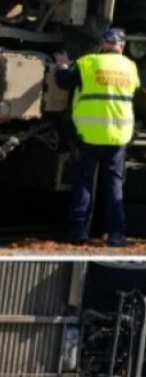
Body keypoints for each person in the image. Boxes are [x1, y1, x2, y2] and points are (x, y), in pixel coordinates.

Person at [55, 27, 140, 247]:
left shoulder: (88, 62)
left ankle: (79, 231)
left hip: (89, 134)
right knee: (114, 185)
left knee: (83, 182)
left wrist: (63, 65)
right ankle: (116, 234)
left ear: (103, 44)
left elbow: (64, 82)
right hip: (118, 136)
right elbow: (134, 89)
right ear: (121, 46)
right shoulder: (130, 67)